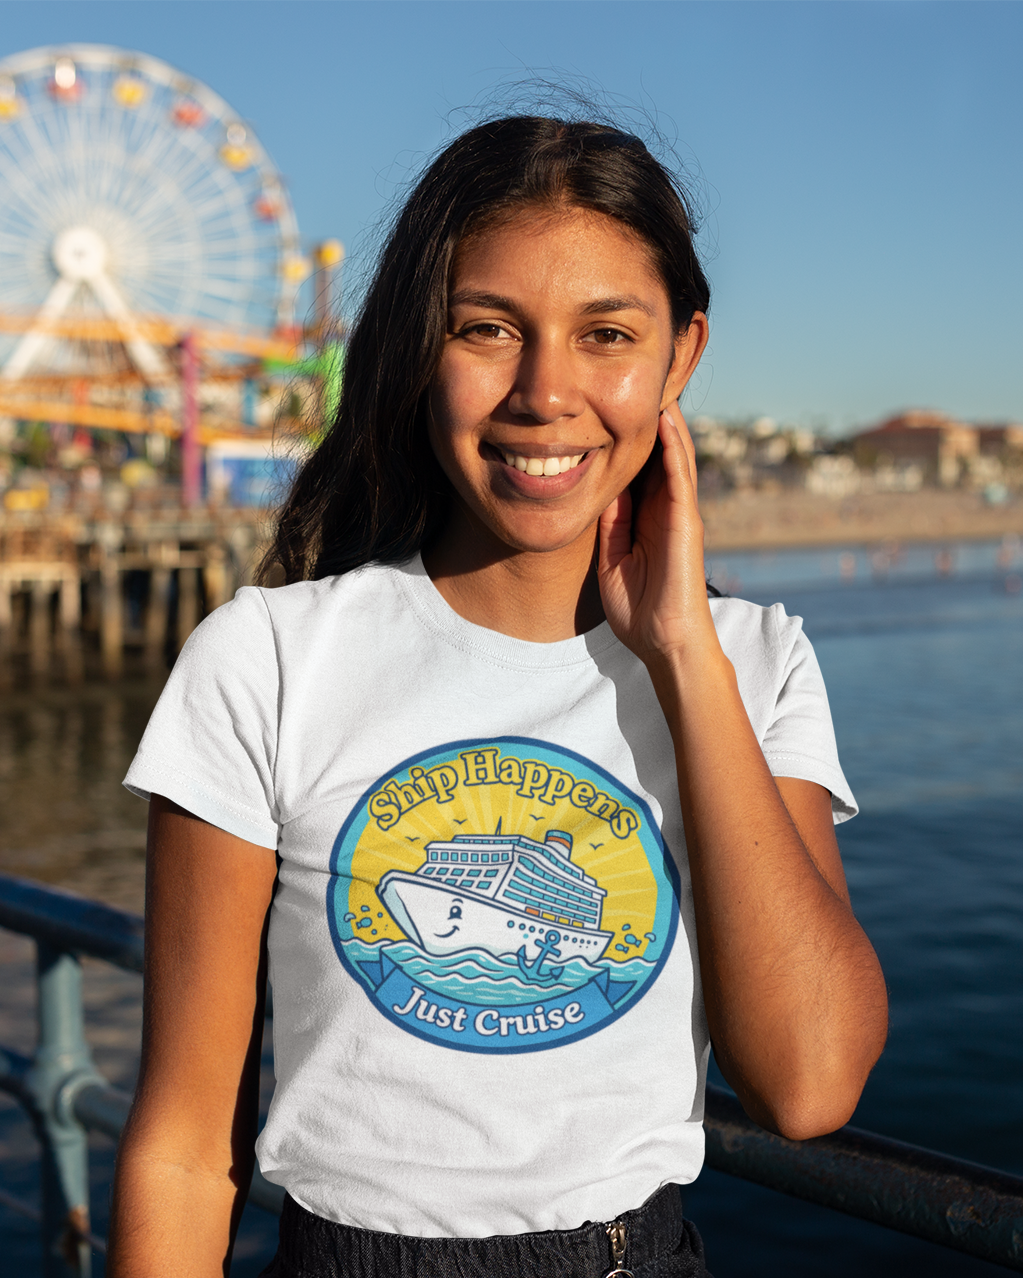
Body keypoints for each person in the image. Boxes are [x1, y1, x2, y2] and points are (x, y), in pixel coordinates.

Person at [109, 116, 888, 1278]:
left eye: (607, 334)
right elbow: (182, 1144)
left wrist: (681, 654)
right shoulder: (267, 658)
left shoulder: (752, 663)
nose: (545, 392)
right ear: (421, 345)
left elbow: (809, 1081)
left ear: (681, 357)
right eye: (488, 329)